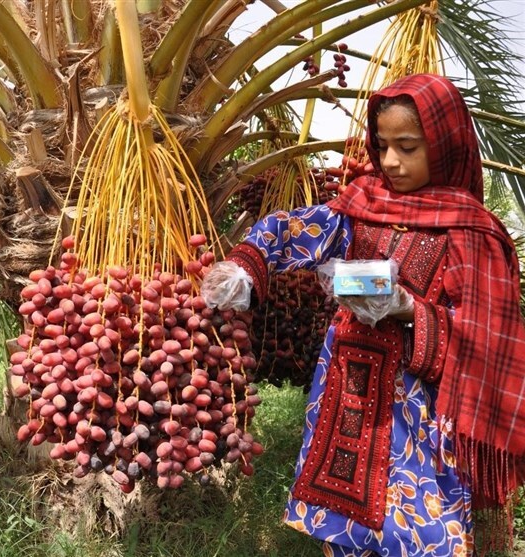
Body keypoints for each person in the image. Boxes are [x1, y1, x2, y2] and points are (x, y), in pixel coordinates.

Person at [201, 73, 525, 556]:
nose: (390, 161)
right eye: (383, 145)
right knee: (342, 526)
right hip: (346, 392)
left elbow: (486, 341)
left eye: (408, 147)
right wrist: (246, 265)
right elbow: (294, 228)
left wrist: (410, 308)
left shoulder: (472, 232)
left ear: (444, 144)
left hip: (420, 410)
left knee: (425, 531)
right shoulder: (361, 203)